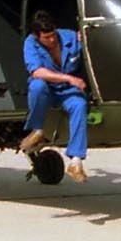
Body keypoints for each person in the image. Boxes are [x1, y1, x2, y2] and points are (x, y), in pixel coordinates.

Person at [18, 10, 90, 182]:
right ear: (37, 37)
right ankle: (38, 129)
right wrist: (70, 78)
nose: (51, 40)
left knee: (79, 105)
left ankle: (76, 161)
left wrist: (88, 38)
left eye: (53, 35)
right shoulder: (30, 43)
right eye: (46, 38)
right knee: (37, 86)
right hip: (49, 89)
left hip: (68, 91)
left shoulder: (70, 37)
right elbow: (37, 72)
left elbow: (90, 48)